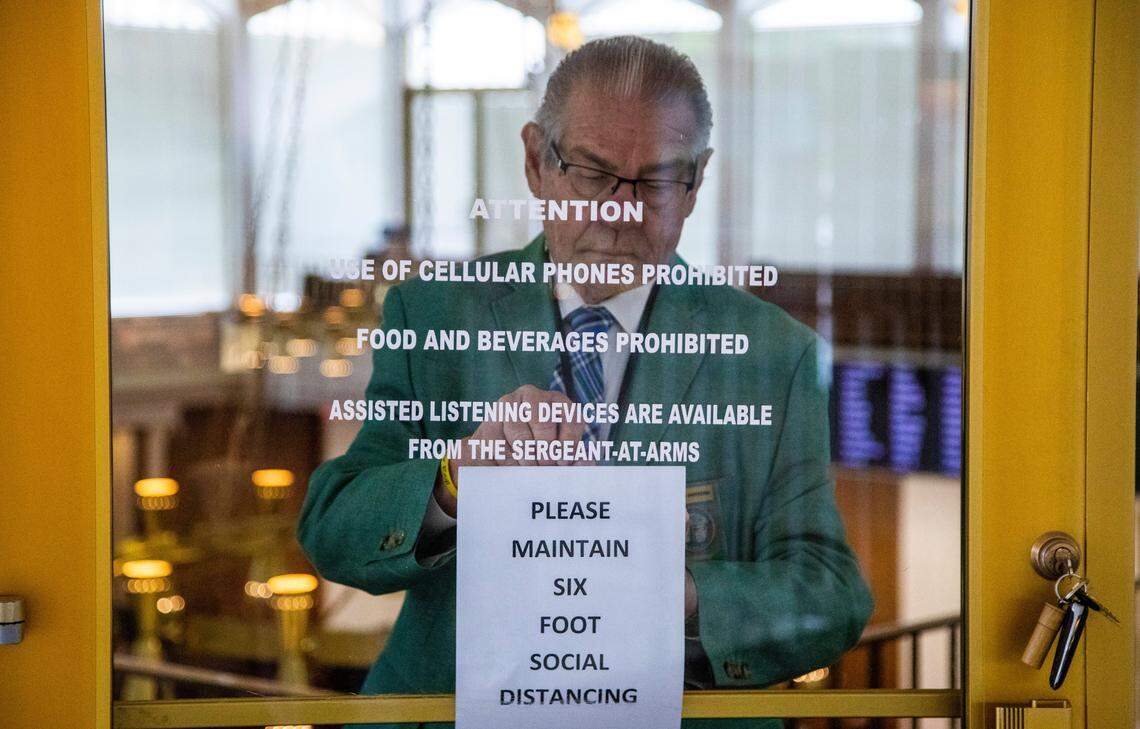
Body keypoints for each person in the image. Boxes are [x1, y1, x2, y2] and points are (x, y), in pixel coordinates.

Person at [299, 35, 873, 729]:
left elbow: (832, 592)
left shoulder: (775, 353)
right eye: (593, 174)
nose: (618, 211)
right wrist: (455, 479)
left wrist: (682, 596)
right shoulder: (431, 314)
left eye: (655, 180)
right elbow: (332, 527)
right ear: (537, 162)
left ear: (696, 183)